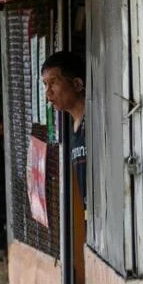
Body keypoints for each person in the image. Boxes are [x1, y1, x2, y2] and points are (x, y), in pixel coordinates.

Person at [41, 51, 87, 207]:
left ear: (77, 84)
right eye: (45, 84)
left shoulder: (95, 121)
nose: (48, 92)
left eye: (53, 82)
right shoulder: (73, 129)